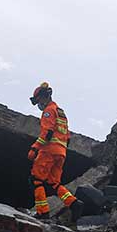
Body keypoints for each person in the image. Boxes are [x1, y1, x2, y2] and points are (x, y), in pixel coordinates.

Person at [28, 82, 83, 221]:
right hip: (61, 152)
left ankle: (43, 212)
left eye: (38, 100)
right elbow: (67, 136)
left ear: (43, 97)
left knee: (36, 180)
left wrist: (34, 148)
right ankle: (74, 203)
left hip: (49, 151)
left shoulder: (49, 111)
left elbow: (47, 133)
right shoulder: (61, 112)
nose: (38, 104)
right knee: (54, 183)